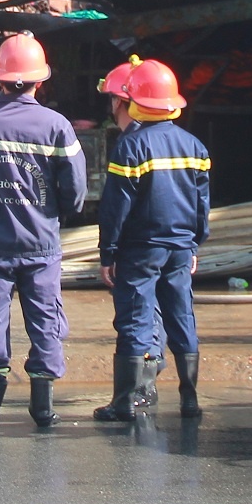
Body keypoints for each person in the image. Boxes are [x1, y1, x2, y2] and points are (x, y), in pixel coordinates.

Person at [0, 33, 86, 429]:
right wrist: (58, 214)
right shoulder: (57, 126)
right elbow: (76, 189)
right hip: (40, 243)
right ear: (40, 80)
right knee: (45, 317)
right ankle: (43, 406)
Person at [94, 58, 210, 422]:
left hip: (141, 248)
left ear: (133, 101)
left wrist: (108, 251)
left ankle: (125, 402)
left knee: (135, 318)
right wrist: (194, 244)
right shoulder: (196, 147)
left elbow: (116, 207)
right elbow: (201, 205)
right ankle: (189, 400)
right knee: (181, 317)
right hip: (180, 247)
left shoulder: (131, 148)